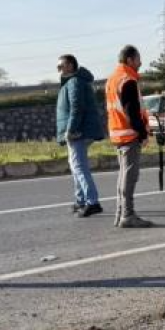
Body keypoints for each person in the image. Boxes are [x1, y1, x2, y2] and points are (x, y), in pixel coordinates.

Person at [106, 44, 152, 228]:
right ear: (130, 60)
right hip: (129, 134)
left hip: (118, 133)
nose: (141, 62)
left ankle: (120, 214)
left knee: (123, 175)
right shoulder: (128, 80)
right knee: (130, 176)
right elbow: (132, 112)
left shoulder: (113, 79)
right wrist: (142, 134)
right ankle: (127, 214)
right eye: (139, 59)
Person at [55, 54, 106, 217]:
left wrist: (70, 131)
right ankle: (81, 200)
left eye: (60, 66)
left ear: (70, 65)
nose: (59, 70)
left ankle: (92, 202)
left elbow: (77, 107)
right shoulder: (72, 82)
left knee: (78, 166)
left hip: (79, 131)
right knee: (75, 165)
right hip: (79, 130)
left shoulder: (75, 82)